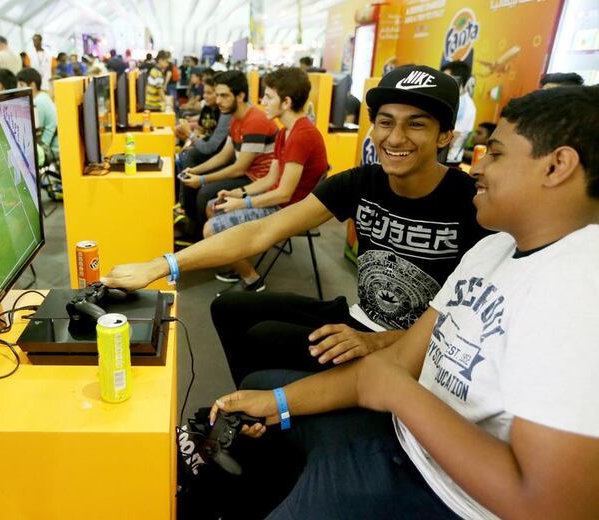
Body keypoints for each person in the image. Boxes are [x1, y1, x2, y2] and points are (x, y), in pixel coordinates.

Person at [207, 84, 599, 520]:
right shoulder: (493, 250)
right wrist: (278, 400)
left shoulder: (581, 291)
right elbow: (393, 364)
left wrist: (398, 393)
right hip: (402, 438)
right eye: (385, 122)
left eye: (497, 154)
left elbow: (551, 506)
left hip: (447, 496)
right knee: (257, 393)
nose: (479, 167)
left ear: (557, 165)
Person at [104, 66, 487, 387]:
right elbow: (261, 231)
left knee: (265, 343)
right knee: (229, 307)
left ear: (445, 135)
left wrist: (380, 342)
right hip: (358, 317)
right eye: (385, 122)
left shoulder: (474, 203)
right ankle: (257, 409)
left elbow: (475, 328)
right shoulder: (362, 182)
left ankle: (262, 404)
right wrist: (160, 266)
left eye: (415, 124)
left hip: (414, 348)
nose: (395, 137)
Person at [206, 67, 329, 292]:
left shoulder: (302, 135)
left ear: (286, 102)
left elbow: (284, 193)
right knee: (212, 206)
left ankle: (253, 280)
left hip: (291, 210)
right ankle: (241, 263)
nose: (262, 101)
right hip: (282, 202)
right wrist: (239, 193)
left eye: (269, 97)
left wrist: (241, 203)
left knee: (210, 229)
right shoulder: (285, 132)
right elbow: (270, 178)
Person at [178, 70, 278, 239]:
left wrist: (202, 180)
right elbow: (224, 156)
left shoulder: (255, 121)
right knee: (191, 174)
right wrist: (195, 172)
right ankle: (194, 230)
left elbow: (240, 168)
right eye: (217, 95)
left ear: (240, 96)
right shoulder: (235, 118)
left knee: (204, 192)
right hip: (247, 174)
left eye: (224, 96)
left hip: (258, 181)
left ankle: (199, 241)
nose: (218, 101)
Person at [17, 67, 58, 160]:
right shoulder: (43, 97)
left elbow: (32, 133)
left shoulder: (37, 103)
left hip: (49, 151)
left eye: (21, 84)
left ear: (32, 85)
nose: (18, 88)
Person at [443, 60, 476, 166]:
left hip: (449, 161)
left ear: (459, 80)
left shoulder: (465, 104)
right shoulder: (454, 99)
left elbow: (454, 136)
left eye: (446, 79)